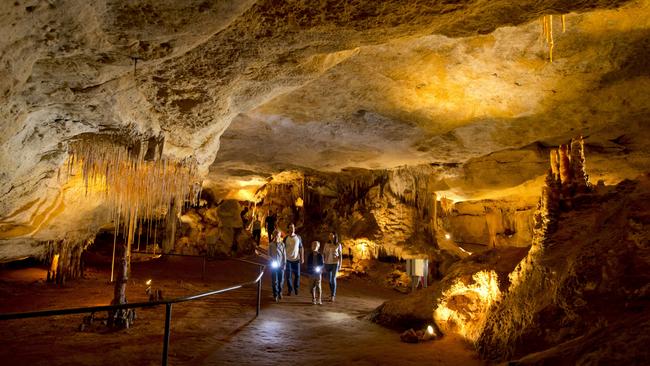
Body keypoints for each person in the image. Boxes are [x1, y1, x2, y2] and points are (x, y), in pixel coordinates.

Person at [284, 223, 304, 296]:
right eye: (290, 227)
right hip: (288, 260)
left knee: (297, 275)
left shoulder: (298, 237)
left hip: (296, 260)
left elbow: (301, 248)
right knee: (288, 276)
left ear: (294, 229)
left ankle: (296, 288)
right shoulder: (286, 238)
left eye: (293, 227)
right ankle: (290, 289)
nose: (291, 229)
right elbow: (283, 248)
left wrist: (302, 257)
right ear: (288, 229)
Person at [323, 231, 342, 302]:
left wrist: (340, 264)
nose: (330, 236)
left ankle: (333, 295)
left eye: (332, 235)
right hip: (327, 263)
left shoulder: (338, 244)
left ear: (335, 236)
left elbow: (340, 255)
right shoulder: (326, 244)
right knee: (330, 280)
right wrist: (323, 262)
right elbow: (324, 254)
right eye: (329, 235)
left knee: (333, 278)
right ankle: (331, 293)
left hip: (335, 263)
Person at [268, 229, 286, 302]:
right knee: (274, 280)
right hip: (274, 265)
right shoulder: (271, 244)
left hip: (281, 265)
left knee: (281, 280)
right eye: (275, 235)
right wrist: (271, 260)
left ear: (279, 236)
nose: (276, 236)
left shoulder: (282, 244)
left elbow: (284, 255)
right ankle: (275, 294)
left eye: (278, 235)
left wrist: (284, 264)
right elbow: (269, 255)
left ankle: (280, 292)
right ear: (273, 235)